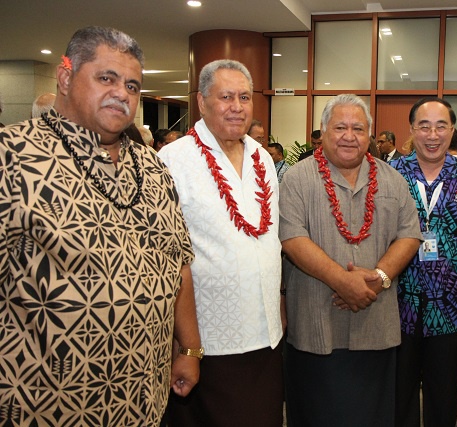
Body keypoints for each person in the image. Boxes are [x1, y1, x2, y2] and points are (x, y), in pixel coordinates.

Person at [0, 26, 200, 426]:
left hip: (142, 398)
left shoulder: (152, 168)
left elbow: (178, 264)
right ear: (65, 76)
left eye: (132, 85)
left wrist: (190, 350)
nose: (121, 93)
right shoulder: (12, 157)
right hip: (43, 402)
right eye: (106, 78)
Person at [279, 94, 422, 427]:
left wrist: (380, 276)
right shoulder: (297, 179)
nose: (349, 136)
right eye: (340, 127)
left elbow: (409, 235)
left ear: (369, 134)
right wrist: (341, 280)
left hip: (376, 325)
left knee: (371, 416)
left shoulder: (393, 180)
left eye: (358, 128)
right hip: (315, 325)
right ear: (323, 131)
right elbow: (292, 238)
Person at [159, 59, 284, 427]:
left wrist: (279, 301)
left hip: (265, 335)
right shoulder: (172, 160)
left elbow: (269, 238)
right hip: (207, 342)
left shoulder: (262, 157)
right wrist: (185, 345)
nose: (237, 106)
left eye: (244, 96)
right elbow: (168, 258)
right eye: (225, 96)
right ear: (201, 101)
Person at [392, 97, 457, 427]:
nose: (433, 134)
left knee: (443, 397)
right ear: (412, 130)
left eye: (441, 126)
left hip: (451, 308)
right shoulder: (392, 173)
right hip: (399, 305)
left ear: (452, 130)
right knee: (399, 396)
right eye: (425, 126)